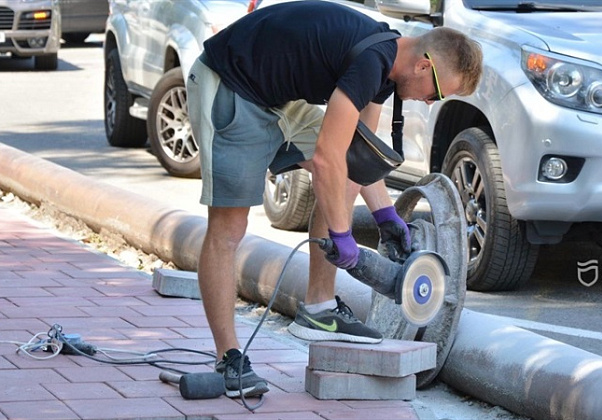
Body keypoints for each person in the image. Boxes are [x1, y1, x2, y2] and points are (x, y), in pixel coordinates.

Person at [186, 0, 483, 398]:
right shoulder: (371, 63)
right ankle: (229, 358)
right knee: (228, 227)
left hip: (277, 96)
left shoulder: (387, 67)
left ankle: (319, 309)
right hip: (231, 84)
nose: (431, 103)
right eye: (438, 94)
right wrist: (343, 236)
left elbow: (357, 159)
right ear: (423, 66)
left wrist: (386, 218)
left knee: (344, 178)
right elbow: (328, 159)